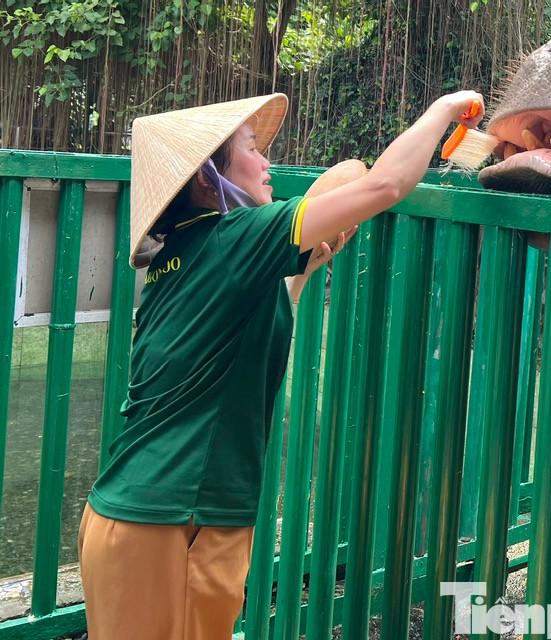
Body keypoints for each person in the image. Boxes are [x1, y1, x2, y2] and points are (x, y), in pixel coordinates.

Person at [77, 88, 484, 640]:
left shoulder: (183, 254)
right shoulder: (235, 237)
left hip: (133, 517)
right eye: (250, 146)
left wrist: (308, 265)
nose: (267, 161)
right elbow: (384, 185)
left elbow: (255, 314)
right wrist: (442, 110)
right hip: (175, 523)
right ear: (206, 179)